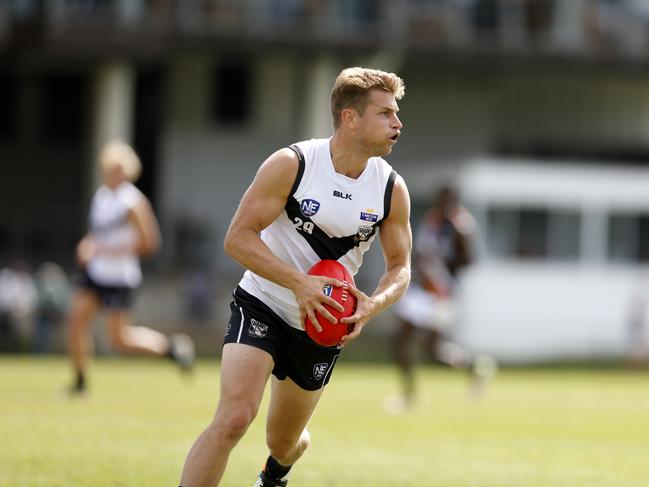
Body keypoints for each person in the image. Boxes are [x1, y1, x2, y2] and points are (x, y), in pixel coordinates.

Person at [179, 67, 412, 487]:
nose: (398, 123)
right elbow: (237, 239)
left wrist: (374, 304)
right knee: (234, 419)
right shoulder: (294, 164)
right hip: (265, 302)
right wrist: (299, 283)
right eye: (386, 113)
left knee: (284, 442)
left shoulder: (390, 189)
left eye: (396, 114)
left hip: (322, 327)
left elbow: (401, 266)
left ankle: (274, 476)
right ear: (350, 118)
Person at [66, 140, 195, 395]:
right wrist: (87, 245)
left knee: (119, 340)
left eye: (119, 169)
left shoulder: (133, 202)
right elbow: (99, 234)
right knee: (77, 323)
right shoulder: (102, 197)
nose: (115, 174)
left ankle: (171, 349)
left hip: (120, 277)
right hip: (95, 273)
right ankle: (80, 382)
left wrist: (105, 250)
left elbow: (150, 243)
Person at [389, 186, 496, 411]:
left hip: (441, 291)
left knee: (433, 351)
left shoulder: (460, 225)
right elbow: (421, 251)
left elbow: (468, 259)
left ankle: (473, 366)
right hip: (422, 290)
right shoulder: (432, 220)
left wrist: (444, 261)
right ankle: (409, 396)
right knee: (400, 340)